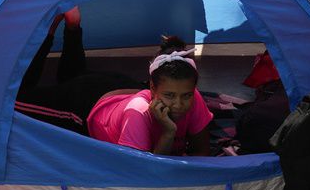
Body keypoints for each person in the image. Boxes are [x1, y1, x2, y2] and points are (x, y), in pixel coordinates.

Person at [16, 8, 212, 156]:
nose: (179, 104)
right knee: (15, 101)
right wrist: (168, 134)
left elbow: (203, 155)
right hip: (85, 102)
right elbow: (147, 178)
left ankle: (73, 24)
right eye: (169, 95)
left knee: (75, 74)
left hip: (118, 87)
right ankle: (50, 31)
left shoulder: (193, 97)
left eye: (185, 95)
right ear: (152, 88)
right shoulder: (138, 113)